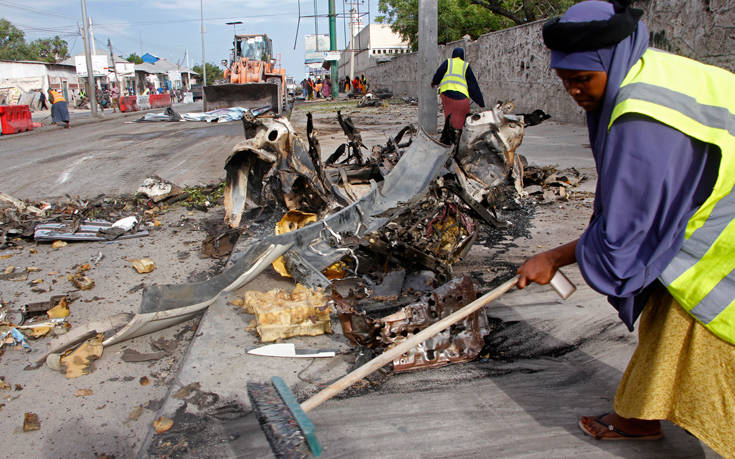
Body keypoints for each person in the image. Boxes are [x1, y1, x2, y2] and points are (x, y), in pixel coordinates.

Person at [517, 1, 734, 456]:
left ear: (609, 63)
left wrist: (552, 258)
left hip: (723, 223)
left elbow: (627, 232)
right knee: (671, 315)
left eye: (582, 80)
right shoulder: (649, 66)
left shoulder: (640, 117)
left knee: (709, 314)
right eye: (566, 81)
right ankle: (638, 417)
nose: (574, 92)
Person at [431, 47, 485, 143]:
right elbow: (473, 86)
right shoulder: (465, 66)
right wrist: (480, 101)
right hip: (462, 98)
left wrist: (434, 82)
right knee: (463, 119)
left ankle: (447, 140)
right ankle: (461, 139)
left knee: (449, 118)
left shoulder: (448, 62)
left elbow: (439, 73)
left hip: (447, 94)